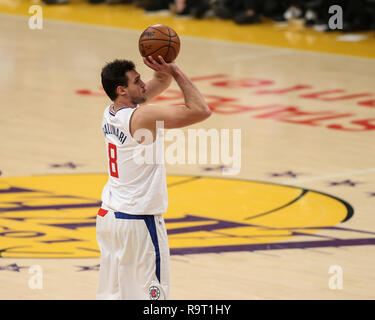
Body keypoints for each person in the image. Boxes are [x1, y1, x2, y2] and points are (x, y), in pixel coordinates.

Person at [96, 55, 211, 300]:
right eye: (137, 81)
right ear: (122, 89)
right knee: (153, 301)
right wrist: (177, 71)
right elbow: (201, 111)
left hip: (109, 217)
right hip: (138, 222)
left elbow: (158, 81)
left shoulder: (110, 112)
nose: (143, 84)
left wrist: (162, 67)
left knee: (114, 296)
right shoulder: (142, 117)